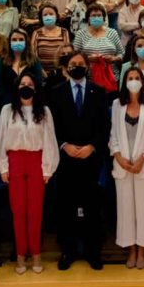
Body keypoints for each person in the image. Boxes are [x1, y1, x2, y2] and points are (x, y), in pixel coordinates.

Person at [49, 51, 110, 271]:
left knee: (92, 206)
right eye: (73, 64)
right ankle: (68, 250)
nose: (77, 67)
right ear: (67, 67)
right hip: (66, 159)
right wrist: (64, 145)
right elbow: (51, 126)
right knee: (66, 206)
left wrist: (92, 146)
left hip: (91, 159)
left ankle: (94, 251)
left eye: (80, 64)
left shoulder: (99, 92)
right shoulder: (56, 93)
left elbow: (105, 127)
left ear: (87, 67)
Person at [0, 73, 59, 275]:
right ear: (16, 87)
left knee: (35, 212)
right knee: (18, 213)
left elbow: (50, 140)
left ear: (36, 88)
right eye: (22, 84)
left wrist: (48, 168)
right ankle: (21, 255)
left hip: (36, 162)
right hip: (14, 161)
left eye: (30, 84)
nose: (26, 86)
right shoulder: (7, 110)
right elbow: (1, 138)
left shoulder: (44, 111)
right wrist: (3, 167)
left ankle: (37, 254)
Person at [110, 66, 144, 269]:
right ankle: (130, 249)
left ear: (142, 81)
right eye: (130, 77)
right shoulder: (116, 104)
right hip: (123, 165)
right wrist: (119, 157)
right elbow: (113, 134)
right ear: (124, 81)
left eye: (137, 77)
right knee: (126, 210)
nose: (133, 80)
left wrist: (142, 159)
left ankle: (142, 250)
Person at [73, 4, 125, 82]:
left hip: (111, 77)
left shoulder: (112, 32)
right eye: (93, 15)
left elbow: (122, 53)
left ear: (103, 18)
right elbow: (74, 56)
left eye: (99, 15)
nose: (96, 18)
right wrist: (88, 59)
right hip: (88, 79)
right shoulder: (81, 34)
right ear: (88, 18)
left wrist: (113, 58)